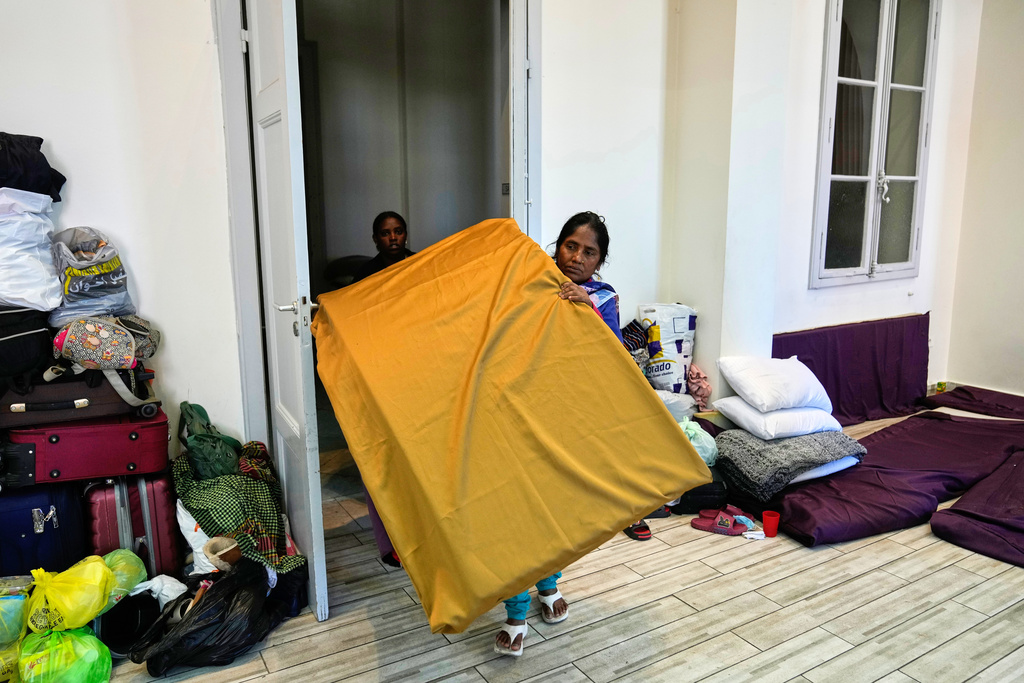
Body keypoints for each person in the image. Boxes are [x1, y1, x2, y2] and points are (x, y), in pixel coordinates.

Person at [351, 211, 415, 284]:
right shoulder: (366, 273)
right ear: (375, 239)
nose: (393, 238)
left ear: (406, 235)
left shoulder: (420, 262)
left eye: (398, 232)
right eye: (385, 233)